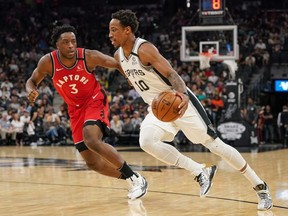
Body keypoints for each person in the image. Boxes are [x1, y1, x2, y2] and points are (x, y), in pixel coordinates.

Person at [108, 9, 272, 210]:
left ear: (127, 30)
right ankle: (199, 171)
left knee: (214, 145)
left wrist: (183, 96)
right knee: (146, 141)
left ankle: (260, 186)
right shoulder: (118, 55)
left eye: (114, 30)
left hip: (178, 100)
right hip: (159, 108)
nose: (110, 34)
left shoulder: (144, 49)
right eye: (110, 30)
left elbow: (173, 75)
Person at [26, 24, 147, 200]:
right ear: (57, 45)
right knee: (93, 163)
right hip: (74, 109)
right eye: (65, 42)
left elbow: (116, 63)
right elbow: (32, 80)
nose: (70, 46)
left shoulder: (87, 56)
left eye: (73, 41)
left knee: (91, 138)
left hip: (94, 100)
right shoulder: (48, 62)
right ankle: (134, 177)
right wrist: (31, 90)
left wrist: (129, 76)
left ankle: (134, 179)